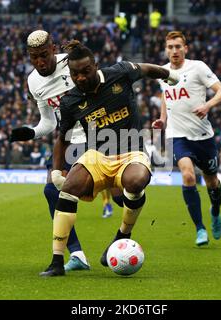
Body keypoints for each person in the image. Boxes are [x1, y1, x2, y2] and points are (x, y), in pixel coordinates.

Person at [40, 40, 180, 276]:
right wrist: (56, 171)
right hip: (97, 157)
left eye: (85, 71)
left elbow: (146, 69)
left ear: (95, 66)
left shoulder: (120, 73)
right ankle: (57, 261)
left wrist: (169, 75)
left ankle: (123, 234)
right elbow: (62, 138)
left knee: (136, 182)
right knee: (68, 190)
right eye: (75, 74)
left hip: (131, 152)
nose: (81, 78)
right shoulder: (70, 101)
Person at [9, 30, 90, 272]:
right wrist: (31, 133)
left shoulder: (72, 63)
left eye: (44, 55)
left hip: (98, 136)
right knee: (51, 191)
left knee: (120, 196)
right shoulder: (33, 81)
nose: (40, 62)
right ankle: (76, 255)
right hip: (68, 142)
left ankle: (123, 236)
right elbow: (49, 122)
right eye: (34, 58)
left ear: (53, 48)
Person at [152, 31, 221, 246]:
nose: (174, 51)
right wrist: (162, 119)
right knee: (187, 176)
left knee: (212, 182)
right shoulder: (163, 72)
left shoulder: (198, 67)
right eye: (170, 47)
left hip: (203, 136)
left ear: (185, 48)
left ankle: (215, 212)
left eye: (178, 46)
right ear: (166, 49)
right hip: (178, 135)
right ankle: (200, 229)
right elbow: (166, 98)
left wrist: (207, 105)